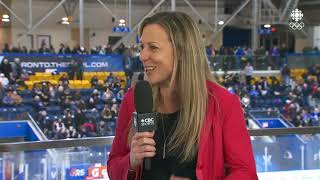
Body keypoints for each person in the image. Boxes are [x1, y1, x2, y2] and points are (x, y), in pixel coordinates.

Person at [107, 11, 257, 180]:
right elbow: (113, 167)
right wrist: (131, 161)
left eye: (153, 47)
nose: (142, 56)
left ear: (181, 52)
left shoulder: (223, 103)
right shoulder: (133, 99)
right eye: (142, 47)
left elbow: (245, 172)